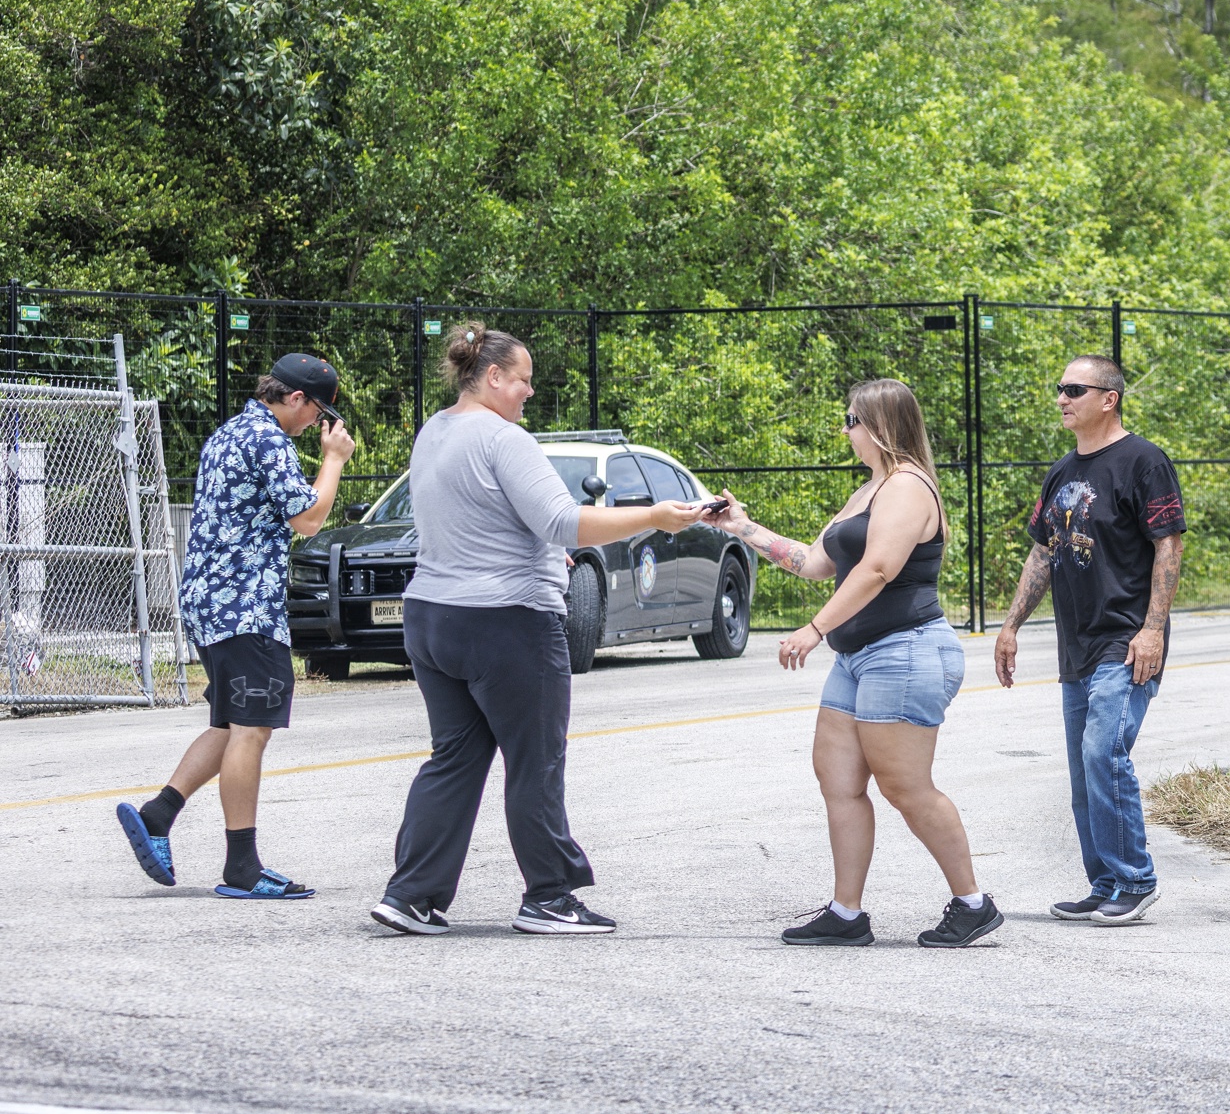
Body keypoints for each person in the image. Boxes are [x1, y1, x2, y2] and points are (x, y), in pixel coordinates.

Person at [370, 325, 706, 937]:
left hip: (432, 617)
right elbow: (560, 522)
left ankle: (411, 894)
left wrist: (546, 557)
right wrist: (655, 516)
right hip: (506, 622)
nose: (529, 391)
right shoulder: (506, 439)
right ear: (492, 376)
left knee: (454, 757)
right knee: (536, 761)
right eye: (522, 378)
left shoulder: (434, 431)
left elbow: (477, 521)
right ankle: (550, 897)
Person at [707, 378, 999, 949]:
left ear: (880, 426)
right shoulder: (869, 489)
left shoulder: (909, 487)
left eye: (851, 420)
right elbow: (816, 562)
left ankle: (973, 903)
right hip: (860, 656)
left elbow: (878, 569)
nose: (845, 430)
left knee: (905, 786)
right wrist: (740, 526)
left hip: (907, 650)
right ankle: (847, 913)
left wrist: (815, 628)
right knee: (838, 780)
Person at [117, 355, 356, 900]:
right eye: (319, 411)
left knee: (229, 723)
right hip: (247, 606)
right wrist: (334, 459)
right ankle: (242, 868)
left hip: (209, 603)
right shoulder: (268, 440)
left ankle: (158, 815)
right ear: (297, 399)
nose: (319, 423)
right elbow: (308, 518)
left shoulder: (229, 432)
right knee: (254, 730)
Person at [993, 355, 1185, 926]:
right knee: (1084, 769)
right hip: (1076, 642)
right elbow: (1044, 550)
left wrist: (1152, 629)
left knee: (1105, 752)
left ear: (1110, 398)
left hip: (1125, 640)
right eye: (1059, 389)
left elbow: (1168, 546)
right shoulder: (1061, 472)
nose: (1061, 398)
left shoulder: (1144, 462)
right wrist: (1010, 625)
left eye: (1074, 389)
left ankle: (1136, 879)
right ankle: (1105, 883)